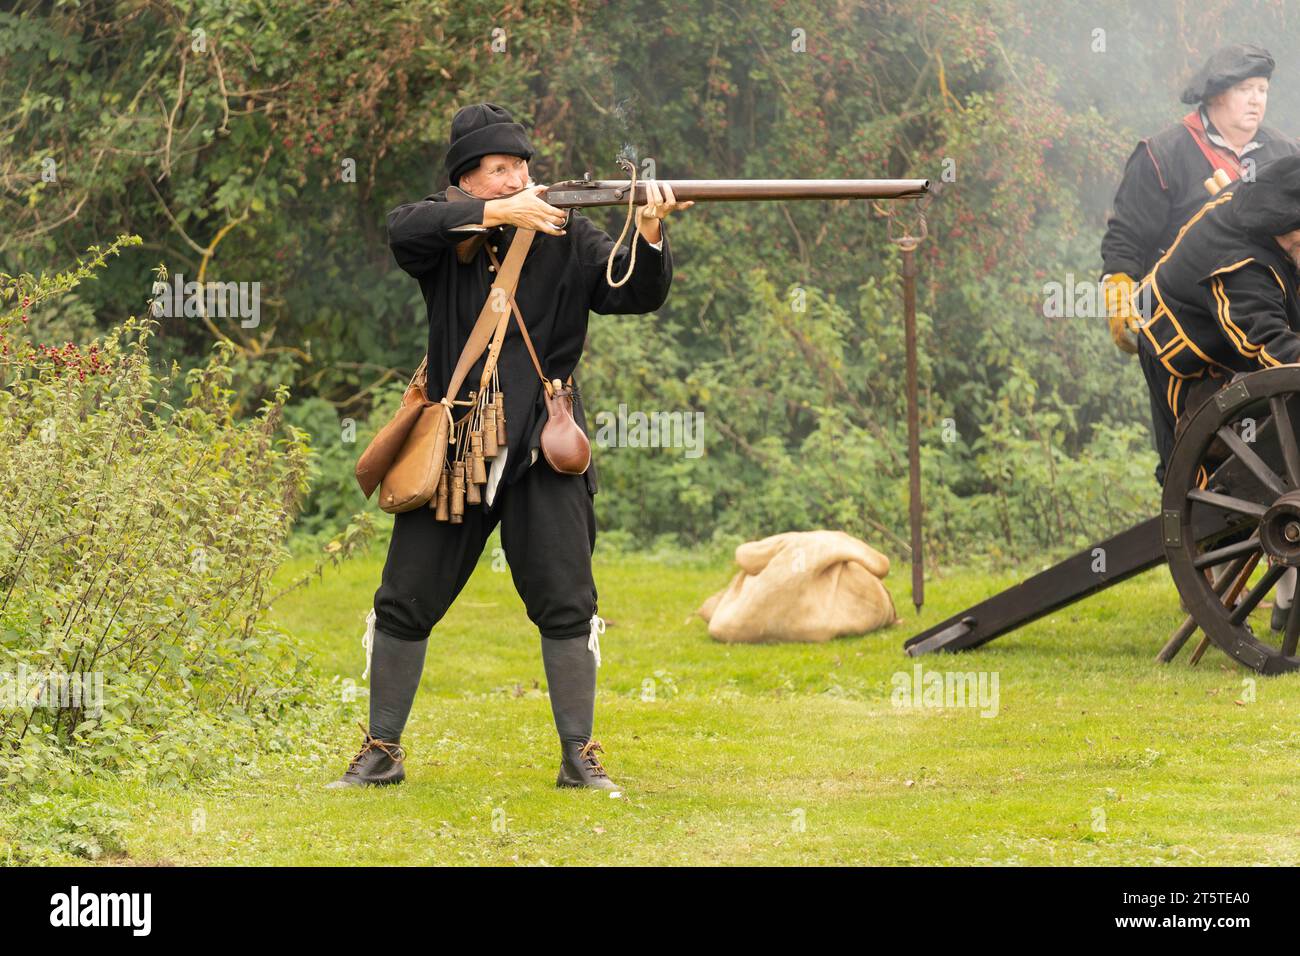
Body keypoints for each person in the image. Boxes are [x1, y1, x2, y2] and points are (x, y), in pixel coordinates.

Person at [326, 103, 692, 791]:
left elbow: (631, 293)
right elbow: (406, 226)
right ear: (466, 181)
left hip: (542, 444)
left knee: (566, 601)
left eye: (521, 165)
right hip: (455, 448)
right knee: (405, 599)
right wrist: (499, 216)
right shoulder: (446, 230)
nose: (519, 176)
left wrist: (646, 233)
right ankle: (381, 751)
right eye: (500, 169)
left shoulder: (567, 232)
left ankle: (578, 758)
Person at [1136, 153, 1300, 628]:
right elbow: (1273, 350)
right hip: (1184, 356)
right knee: (1205, 479)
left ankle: (1287, 604)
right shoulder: (1240, 268)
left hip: (1232, 347)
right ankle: (1212, 590)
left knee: (1276, 454)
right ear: (1285, 228)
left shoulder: (1266, 204)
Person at [1102, 43, 1297, 354]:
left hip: (1265, 314)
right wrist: (1119, 286)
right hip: (1183, 326)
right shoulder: (1163, 154)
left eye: (1262, 90)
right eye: (1245, 89)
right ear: (1216, 93)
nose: (1256, 100)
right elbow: (1127, 235)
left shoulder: (1286, 154)